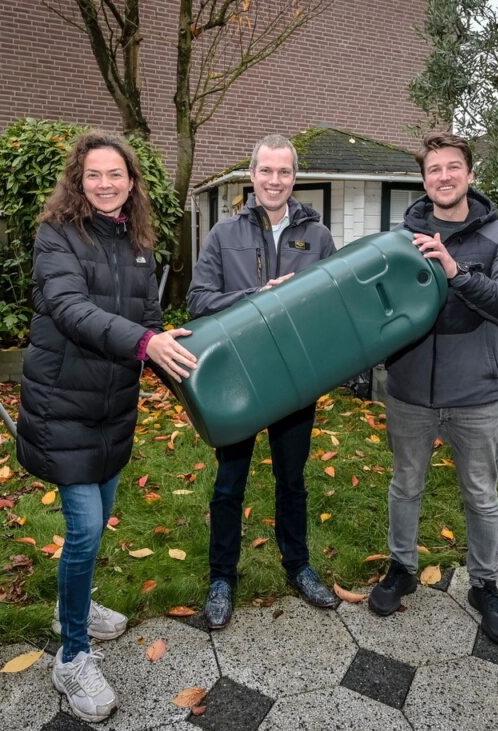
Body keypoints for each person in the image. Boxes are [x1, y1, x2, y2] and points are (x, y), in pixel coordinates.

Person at [16, 131, 197, 722]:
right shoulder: (56, 236)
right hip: (62, 404)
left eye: (116, 174)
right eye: (94, 174)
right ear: (78, 179)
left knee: (94, 528)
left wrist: (177, 358)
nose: (105, 184)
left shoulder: (137, 240)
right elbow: (70, 309)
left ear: (131, 181)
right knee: (87, 528)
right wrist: (146, 342)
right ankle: (71, 657)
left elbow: (149, 319)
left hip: (114, 406)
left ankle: (77, 603)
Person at [368, 132, 498, 646]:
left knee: (481, 496)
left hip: (476, 395)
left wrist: (455, 272)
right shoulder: (399, 240)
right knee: (405, 486)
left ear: (469, 174)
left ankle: (485, 585)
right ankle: (402, 568)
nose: (444, 176)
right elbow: (377, 311)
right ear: (423, 180)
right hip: (410, 393)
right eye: (434, 169)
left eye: (453, 167)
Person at [187, 134, 340, 628]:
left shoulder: (317, 238)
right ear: (251, 176)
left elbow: (332, 308)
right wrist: (258, 295)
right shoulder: (222, 234)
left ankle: (297, 566)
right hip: (241, 379)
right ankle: (221, 578)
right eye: (267, 171)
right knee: (230, 483)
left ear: (295, 178)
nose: (275, 181)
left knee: (291, 481)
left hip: (294, 379)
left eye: (285, 172)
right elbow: (198, 299)